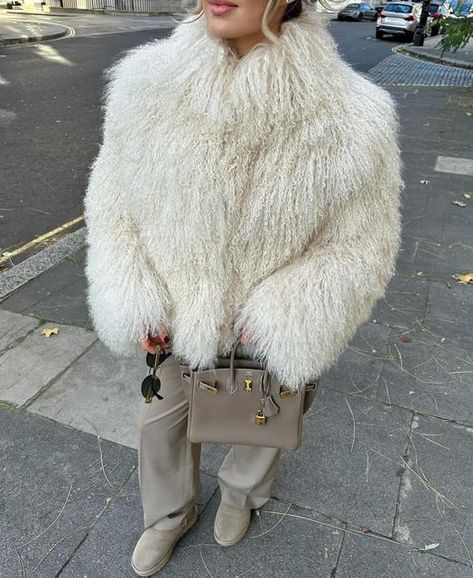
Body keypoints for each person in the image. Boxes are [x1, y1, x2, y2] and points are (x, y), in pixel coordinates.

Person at [83, 0, 403, 575]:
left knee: (265, 420)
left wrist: (291, 311)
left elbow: (363, 246)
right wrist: (134, 293)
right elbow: (112, 201)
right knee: (160, 423)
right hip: (176, 313)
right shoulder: (143, 83)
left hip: (270, 322)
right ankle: (168, 514)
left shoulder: (355, 116)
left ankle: (240, 495)